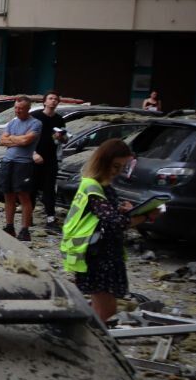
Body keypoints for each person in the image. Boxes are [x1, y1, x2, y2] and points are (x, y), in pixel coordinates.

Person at [60, 138, 158, 323]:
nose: (118, 171)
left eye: (123, 166)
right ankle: (93, 343)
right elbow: (115, 222)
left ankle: (88, 336)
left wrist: (123, 209)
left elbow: (107, 214)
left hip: (101, 251)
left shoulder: (100, 185)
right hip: (97, 253)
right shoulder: (93, 186)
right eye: (116, 166)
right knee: (105, 309)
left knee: (102, 306)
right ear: (104, 162)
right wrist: (145, 216)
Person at [0, 95, 42, 241]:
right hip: (7, 161)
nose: (17, 111)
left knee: (23, 196)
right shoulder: (12, 123)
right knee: (8, 194)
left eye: (21, 108)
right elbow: (2, 140)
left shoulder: (36, 123)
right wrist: (18, 139)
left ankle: (24, 229)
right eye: (16, 108)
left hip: (23, 164)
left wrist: (13, 139)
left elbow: (26, 141)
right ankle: (9, 226)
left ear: (28, 108)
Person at [32, 92, 67, 228]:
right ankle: (28, 216)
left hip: (51, 157)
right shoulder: (36, 117)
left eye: (56, 99)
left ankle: (51, 218)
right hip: (35, 156)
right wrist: (33, 153)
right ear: (44, 102)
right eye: (51, 99)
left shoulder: (59, 119)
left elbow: (65, 139)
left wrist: (60, 137)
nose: (53, 101)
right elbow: (28, 137)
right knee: (32, 187)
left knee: (50, 188)